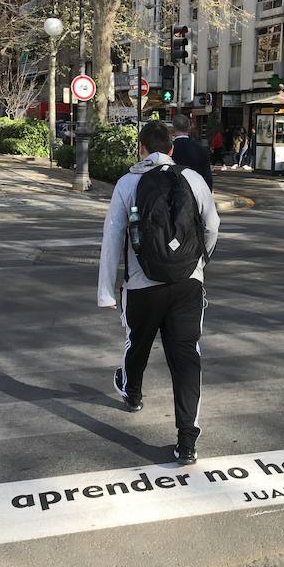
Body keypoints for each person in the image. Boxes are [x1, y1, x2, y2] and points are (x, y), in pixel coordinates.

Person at [98, 122, 220, 466]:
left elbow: (112, 241)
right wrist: (198, 264)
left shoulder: (126, 183)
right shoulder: (193, 180)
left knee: (137, 343)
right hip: (187, 284)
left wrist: (108, 292)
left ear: (140, 148)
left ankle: (132, 393)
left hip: (142, 286)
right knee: (185, 359)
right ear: (171, 149)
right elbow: (212, 227)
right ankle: (186, 443)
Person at [170, 113, 213, 190]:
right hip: (198, 191)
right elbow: (207, 177)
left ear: (173, 129)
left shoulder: (169, 149)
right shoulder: (201, 149)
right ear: (188, 128)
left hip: (175, 193)